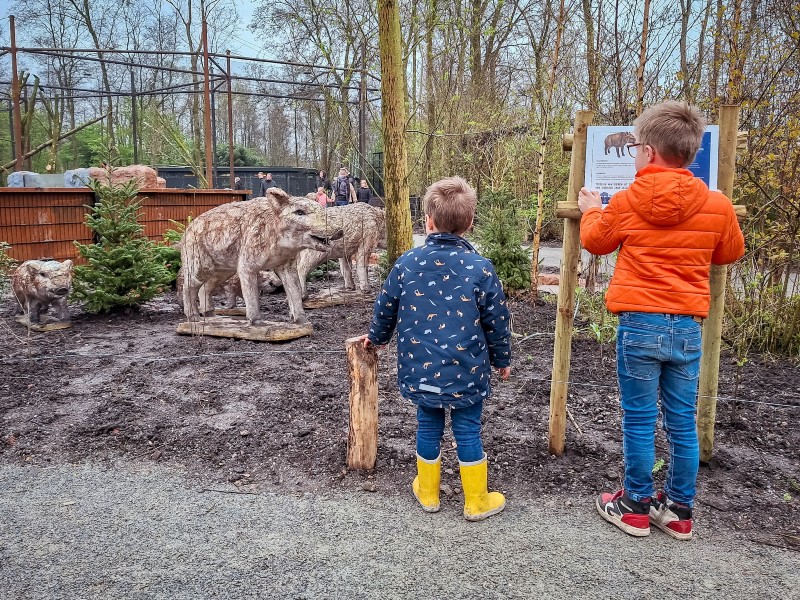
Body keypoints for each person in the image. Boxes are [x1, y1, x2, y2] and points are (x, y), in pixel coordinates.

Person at [579, 101, 745, 540]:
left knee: (638, 418)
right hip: (688, 327)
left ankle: (634, 504)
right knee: (682, 421)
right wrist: (715, 219)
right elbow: (729, 253)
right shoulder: (716, 204)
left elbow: (596, 242)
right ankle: (678, 511)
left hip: (639, 324)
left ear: (649, 152)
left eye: (634, 147)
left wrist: (593, 207)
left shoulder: (629, 199)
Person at [361, 176, 512, 521]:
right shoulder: (481, 268)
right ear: (470, 223)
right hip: (467, 370)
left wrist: (377, 337)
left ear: (427, 221)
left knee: (427, 425)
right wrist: (502, 358)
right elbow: (497, 320)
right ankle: (476, 500)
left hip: (421, 367)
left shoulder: (406, 263)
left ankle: (427, 491)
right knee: (468, 429)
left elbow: (386, 306)